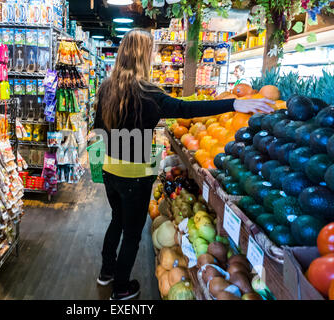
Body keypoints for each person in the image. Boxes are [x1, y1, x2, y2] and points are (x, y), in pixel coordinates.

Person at [92, 29, 274, 300]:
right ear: (144, 56)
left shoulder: (106, 88)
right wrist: (234, 102)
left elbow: (98, 130)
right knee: (132, 233)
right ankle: (120, 288)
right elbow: (187, 110)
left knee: (116, 221)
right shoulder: (149, 93)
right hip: (137, 173)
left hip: (110, 169)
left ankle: (106, 272)